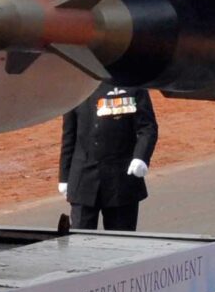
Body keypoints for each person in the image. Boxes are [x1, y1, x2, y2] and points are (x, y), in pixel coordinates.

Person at [58, 81, 156, 231]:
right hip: (83, 180)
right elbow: (69, 137)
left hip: (121, 180)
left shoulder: (131, 85)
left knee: (120, 240)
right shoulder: (76, 88)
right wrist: (64, 177)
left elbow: (148, 127)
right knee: (79, 239)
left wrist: (141, 157)